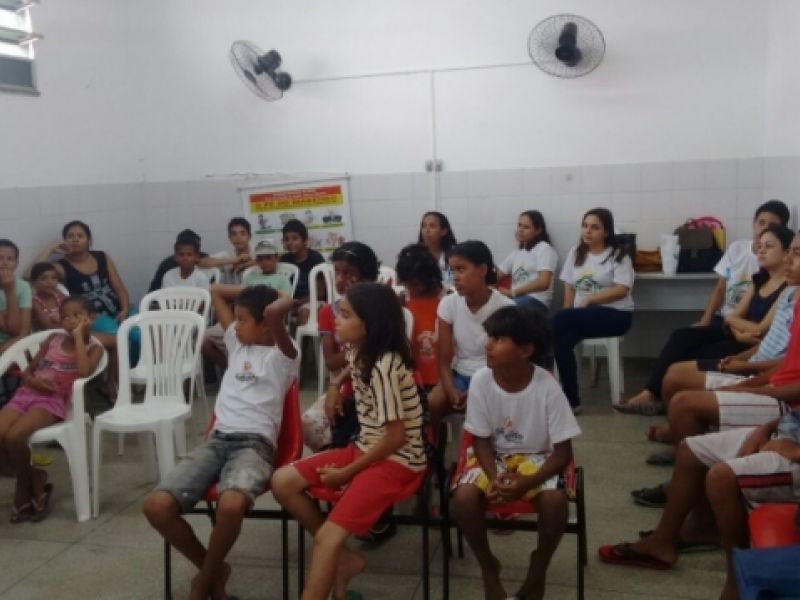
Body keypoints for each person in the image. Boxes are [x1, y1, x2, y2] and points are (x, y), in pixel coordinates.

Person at [272, 282, 427, 600]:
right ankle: (342, 560)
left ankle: (329, 563)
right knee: (282, 481)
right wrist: (334, 387)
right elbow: (351, 367)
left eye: (344, 315)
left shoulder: (385, 367)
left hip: (398, 460)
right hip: (366, 447)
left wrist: (346, 472)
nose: (335, 321)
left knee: (327, 537)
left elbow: (395, 438)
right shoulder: (359, 350)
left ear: (369, 323)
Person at [142, 285, 298, 600]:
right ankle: (214, 572)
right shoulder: (237, 344)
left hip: (254, 446)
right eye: (235, 319)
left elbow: (275, 313)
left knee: (231, 504)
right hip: (216, 442)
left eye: (243, 320)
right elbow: (215, 290)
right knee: (155, 506)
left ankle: (203, 582)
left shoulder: (284, 355)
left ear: (266, 324)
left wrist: (276, 301)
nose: (234, 326)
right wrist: (257, 295)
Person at [599, 410, 800, 600]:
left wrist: (795, 451)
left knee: (721, 478)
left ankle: (736, 584)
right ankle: (663, 542)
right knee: (690, 450)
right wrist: (767, 428)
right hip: (790, 429)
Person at [453, 306, 581, 600]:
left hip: (539, 459)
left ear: (525, 350)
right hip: (492, 457)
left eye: (498, 339)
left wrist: (528, 482)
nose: (488, 344)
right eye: (489, 337)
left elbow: (563, 453)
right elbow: (480, 440)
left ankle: (539, 567)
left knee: (555, 502)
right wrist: (494, 477)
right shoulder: (482, 381)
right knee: (463, 498)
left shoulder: (547, 386)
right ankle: (488, 566)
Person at [620, 200, 791, 413]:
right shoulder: (756, 273)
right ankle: (651, 394)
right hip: (732, 328)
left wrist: (737, 327)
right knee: (681, 336)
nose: (763, 235)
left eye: (771, 228)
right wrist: (711, 320)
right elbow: (725, 299)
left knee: (697, 352)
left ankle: (671, 400)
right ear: (754, 223)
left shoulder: (786, 286)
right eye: (761, 223)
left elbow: (759, 330)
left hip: (748, 340)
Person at [0, 296, 103, 523]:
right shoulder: (52, 339)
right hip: (26, 395)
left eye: (77, 316)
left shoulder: (94, 348)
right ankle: (34, 476)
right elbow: (28, 371)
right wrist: (32, 380)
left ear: (90, 318)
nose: (70, 321)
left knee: (15, 437)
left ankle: (22, 486)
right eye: (65, 317)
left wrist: (78, 336)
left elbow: (84, 372)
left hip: (50, 402)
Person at [30, 221, 134, 397]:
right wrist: (50, 249)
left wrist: (124, 309)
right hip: (94, 316)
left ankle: (133, 374)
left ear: (88, 239)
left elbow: (119, 287)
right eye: (70, 236)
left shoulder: (102, 257)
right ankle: (114, 383)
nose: (75, 239)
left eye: (80, 236)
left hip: (118, 308)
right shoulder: (61, 266)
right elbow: (34, 273)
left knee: (140, 330)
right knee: (119, 336)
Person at [552, 208, 635, 411]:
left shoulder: (618, 254)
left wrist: (591, 299)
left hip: (616, 315)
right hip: (583, 317)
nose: (588, 231)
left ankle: (563, 394)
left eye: (595, 227)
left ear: (606, 232)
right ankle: (571, 401)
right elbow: (569, 288)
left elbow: (622, 289)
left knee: (558, 323)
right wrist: (567, 315)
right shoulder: (576, 252)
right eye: (585, 226)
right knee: (560, 340)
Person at [427, 241, 514, 431]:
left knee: (490, 408)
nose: (455, 277)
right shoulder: (448, 304)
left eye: (461, 269)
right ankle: (435, 446)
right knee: (433, 402)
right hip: (460, 374)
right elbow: (444, 359)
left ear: (482, 269)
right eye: (452, 271)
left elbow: (507, 362)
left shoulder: (506, 307)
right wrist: (451, 390)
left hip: (494, 376)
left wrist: (477, 391)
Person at [301, 241, 379, 452]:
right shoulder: (328, 312)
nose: (341, 279)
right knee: (307, 425)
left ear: (367, 277)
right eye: (337, 272)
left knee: (361, 436)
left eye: (350, 273)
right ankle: (332, 456)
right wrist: (365, 343)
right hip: (346, 386)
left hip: (377, 389)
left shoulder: (380, 310)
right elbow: (331, 361)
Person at [395, 243, 445, 390]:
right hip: (413, 377)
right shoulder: (403, 301)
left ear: (431, 278)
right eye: (407, 284)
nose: (411, 288)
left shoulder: (446, 299)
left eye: (415, 284)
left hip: (442, 377)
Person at [496, 210, 559, 313]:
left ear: (538, 230)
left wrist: (513, 292)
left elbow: (544, 282)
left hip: (536, 301)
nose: (520, 230)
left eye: (526, 227)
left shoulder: (544, 249)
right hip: (516, 300)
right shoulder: (516, 253)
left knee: (505, 310)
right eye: (519, 225)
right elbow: (497, 274)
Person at [280, 219, 325, 325]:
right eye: (286, 239)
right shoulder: (284, 259)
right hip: (291, 302)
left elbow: (320, 293)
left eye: (295, 238)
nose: (290, 242)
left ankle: (304, 337)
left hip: (314, 301)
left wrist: (299, 303)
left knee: (304, 312)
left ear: (305, 240)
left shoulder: (315, 258)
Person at [0, 240, 32, 354]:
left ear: (16, 263)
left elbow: (19, 331)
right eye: (0, 258)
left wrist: (9, 292)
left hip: (15, 342)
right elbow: (6, 327)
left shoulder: (24, 286)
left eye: (10, 259)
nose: (5, 263)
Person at [418, 211, 458, 279]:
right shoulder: (414, 255)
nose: (427, 230)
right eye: (424, 226)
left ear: (444, 231)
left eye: (432, 226)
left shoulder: (455, 255)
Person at [29, 262, 68, 331]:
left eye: (54, 278)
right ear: (34, 283)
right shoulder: (34, 302)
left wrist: (60, 320)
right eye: (44, 278)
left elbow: (75, 313)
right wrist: (65, 320)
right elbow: (49, 326)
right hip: (47, 334)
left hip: (67, 331)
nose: (50, 282)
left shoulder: (59, 294)